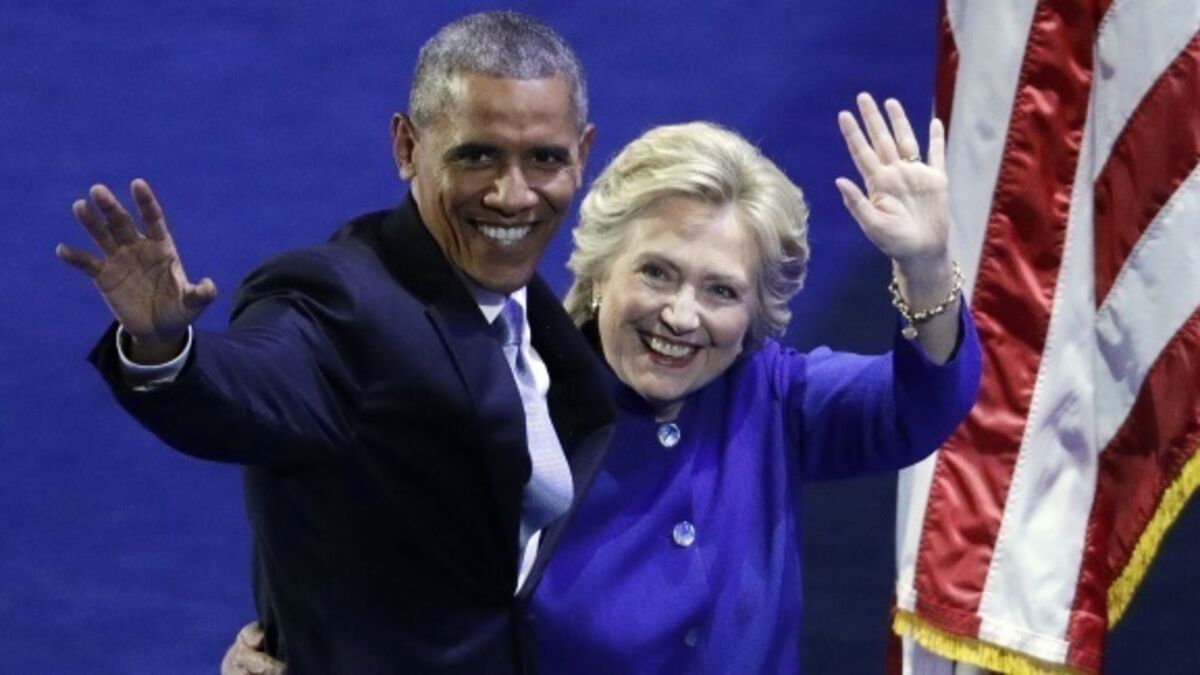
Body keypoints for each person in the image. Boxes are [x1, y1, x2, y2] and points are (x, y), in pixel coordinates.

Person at [221, 96, 982, 673]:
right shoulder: (502, 400)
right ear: (600, 268)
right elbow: (367, 564)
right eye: (657, 273)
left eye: (721, 290)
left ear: (757, 311)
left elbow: (922, 403)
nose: (681, 315)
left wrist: (924, 265)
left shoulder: (773, 395)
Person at [55, 11, 612, 674]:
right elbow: (257, 379)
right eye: (477, 155)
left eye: (544, 158)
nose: (512, 195)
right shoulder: (339, 298)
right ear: (407, 147)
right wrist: (168, 350)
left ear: (582, 154)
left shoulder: (555, 333)